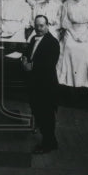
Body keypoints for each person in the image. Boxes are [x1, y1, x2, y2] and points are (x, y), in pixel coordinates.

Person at [21, 14, 60, 153]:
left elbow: (49, 65)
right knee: (37, 111)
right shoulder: (33, 38)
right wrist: (24, 60)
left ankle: (49, 143)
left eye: (42, 26)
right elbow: (26, 53)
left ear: (47, 26)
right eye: (37, 25)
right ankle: (48, 139)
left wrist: (31, 66)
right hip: (34, 84)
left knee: (46, 116)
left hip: (46, 86)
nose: (39, 28)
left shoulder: (53, 43)